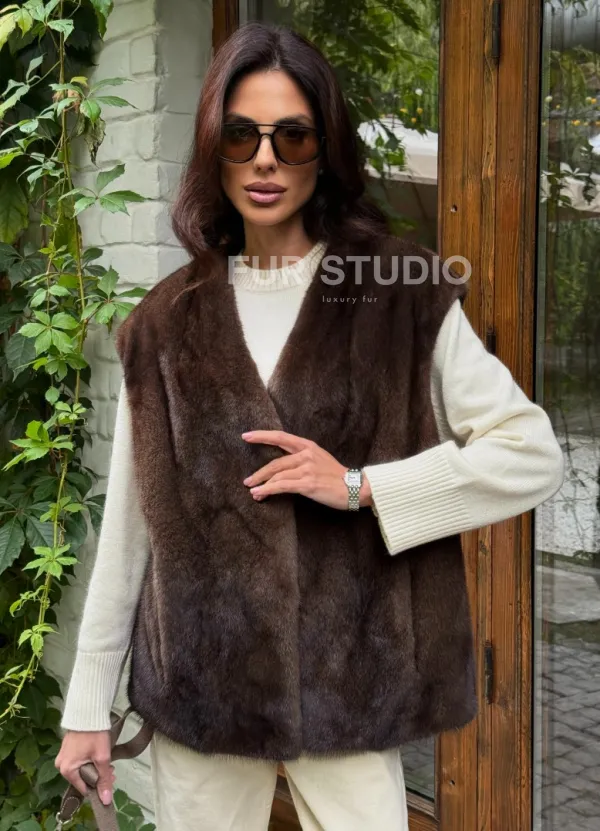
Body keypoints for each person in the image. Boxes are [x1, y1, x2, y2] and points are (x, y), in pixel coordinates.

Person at [55, 21, 564, 831]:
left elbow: (531, 452)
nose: (265, 159)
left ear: (323, 151)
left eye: (291, 136)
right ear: (213, 149)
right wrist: (87, 706)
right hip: (204, 693)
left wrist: (362, 486)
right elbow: (130, 526)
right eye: (242, 136)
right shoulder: (163, 323)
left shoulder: (400, 292)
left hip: (351, 690)